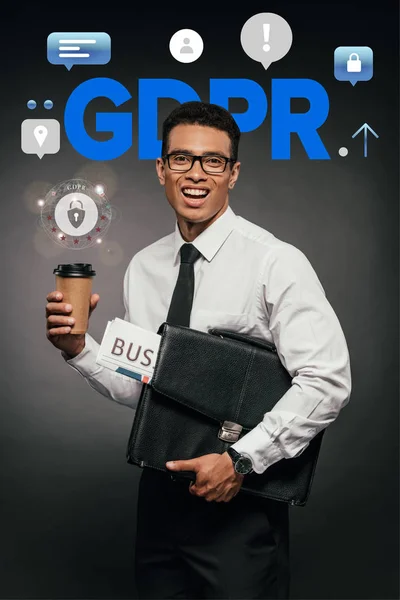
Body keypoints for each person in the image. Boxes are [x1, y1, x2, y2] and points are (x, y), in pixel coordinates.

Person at [45, 101, 352, 599]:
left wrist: (242, 460)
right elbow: (145, 384)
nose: (196, 174)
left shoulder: (275, 261)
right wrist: (80, 349)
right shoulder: (144, 266)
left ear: (233, 174)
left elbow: (327, 381)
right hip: (160, 500)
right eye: (183, 159)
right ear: (162, 169)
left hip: (241, 502)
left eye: (213, 161)